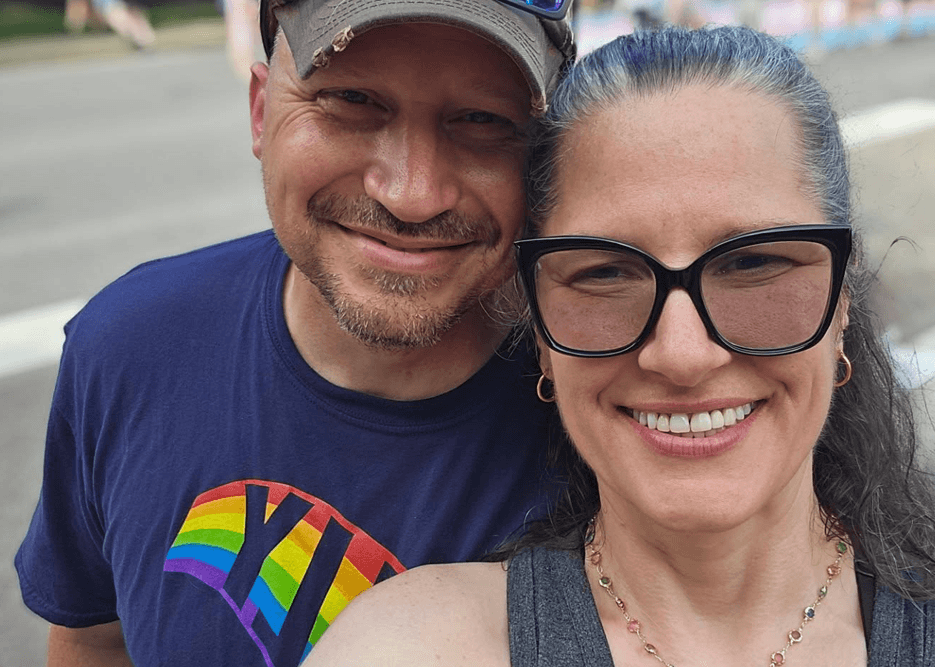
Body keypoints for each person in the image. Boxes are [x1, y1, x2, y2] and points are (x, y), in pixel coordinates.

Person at [305, 25, 935, 667]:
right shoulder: (412, 645)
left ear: (842, 299)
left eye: (753, 262)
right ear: (540, 333)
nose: (683, 352)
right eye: (606, 272)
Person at [14, 1, 576, 666]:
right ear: (260, 111)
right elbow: (94, 638)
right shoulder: (127, 347)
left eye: (483, 119)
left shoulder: (614, 417)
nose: (411, 193)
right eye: (352, 99)